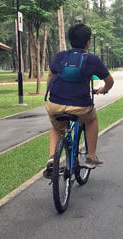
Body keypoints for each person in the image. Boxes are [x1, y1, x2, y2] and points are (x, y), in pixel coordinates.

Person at [43, 23, 114, 178]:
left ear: (70, 40)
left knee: (57, 127)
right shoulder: (92, 59)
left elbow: (50, 76)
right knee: (91, 119)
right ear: (88, 42)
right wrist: (104, 89)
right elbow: (109, 81)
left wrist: (52, 95)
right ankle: (91, 156)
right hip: (80, 107)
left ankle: (52, 158)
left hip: (54, 104)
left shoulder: (60, 56)